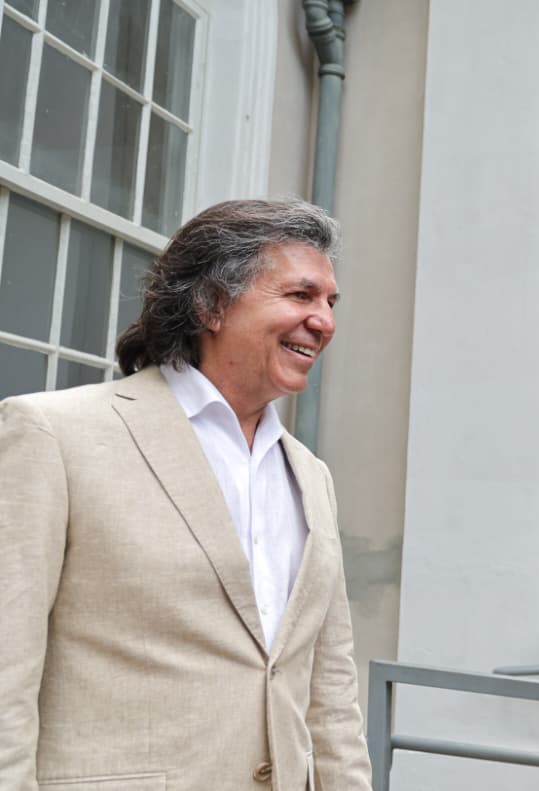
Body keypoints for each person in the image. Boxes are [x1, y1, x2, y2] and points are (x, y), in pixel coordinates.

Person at [0, 199, 373, 790]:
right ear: (212, 305)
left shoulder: (311, 476)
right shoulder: (54, 434)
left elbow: (332, 693)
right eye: (301, 295)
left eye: (331, 302)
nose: (324, 321)